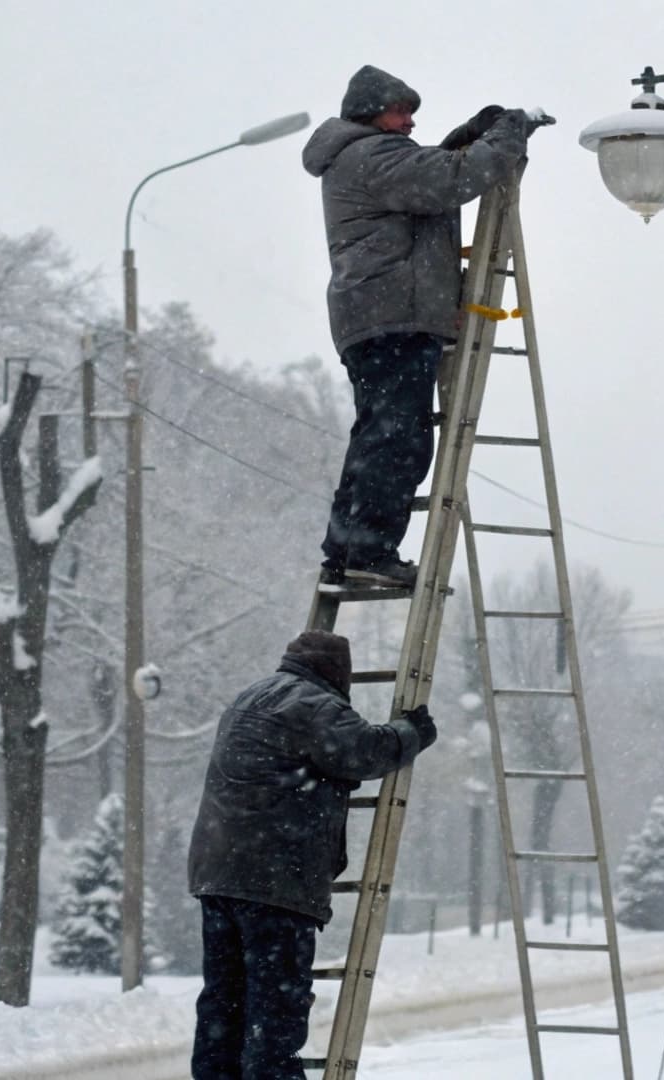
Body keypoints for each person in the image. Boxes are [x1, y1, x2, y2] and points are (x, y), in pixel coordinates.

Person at [302, 65, 533, 588]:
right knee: (397, 437)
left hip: (379, 315)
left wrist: (469, 136)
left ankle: (347, 550)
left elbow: (431, 169)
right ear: (371, 113)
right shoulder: (370, 156)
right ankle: (367, 550)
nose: (409, 122)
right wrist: (505, 138)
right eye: (401, 111)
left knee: (380, 433)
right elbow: (448, 180)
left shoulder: (362, 158)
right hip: (393, 316)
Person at [186, 630, 437, 1079]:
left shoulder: (250, 696)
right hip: (274, 883)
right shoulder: (316, 706)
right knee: (275, 1010)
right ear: (338, 674)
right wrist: (412, 732)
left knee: (223, 1005)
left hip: (218, 873)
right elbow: (364, 752)